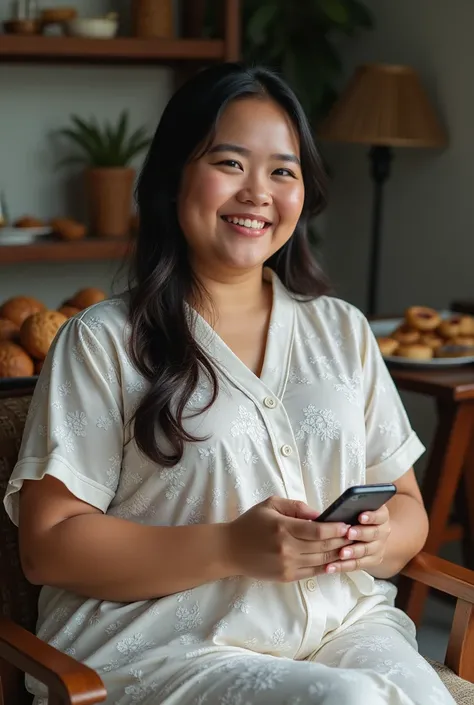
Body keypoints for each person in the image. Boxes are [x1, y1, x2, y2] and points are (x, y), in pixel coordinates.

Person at [3, 63, 454, 705]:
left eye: (283, 170)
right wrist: (230, 546)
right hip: (163, 644)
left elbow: (409, 511)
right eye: (230, 163)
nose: (258, 192)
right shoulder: (102, 341)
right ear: (173, 175)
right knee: (345, 702)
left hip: (343, 624)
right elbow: (47, 550)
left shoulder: (343, 331)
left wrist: (379, 537)